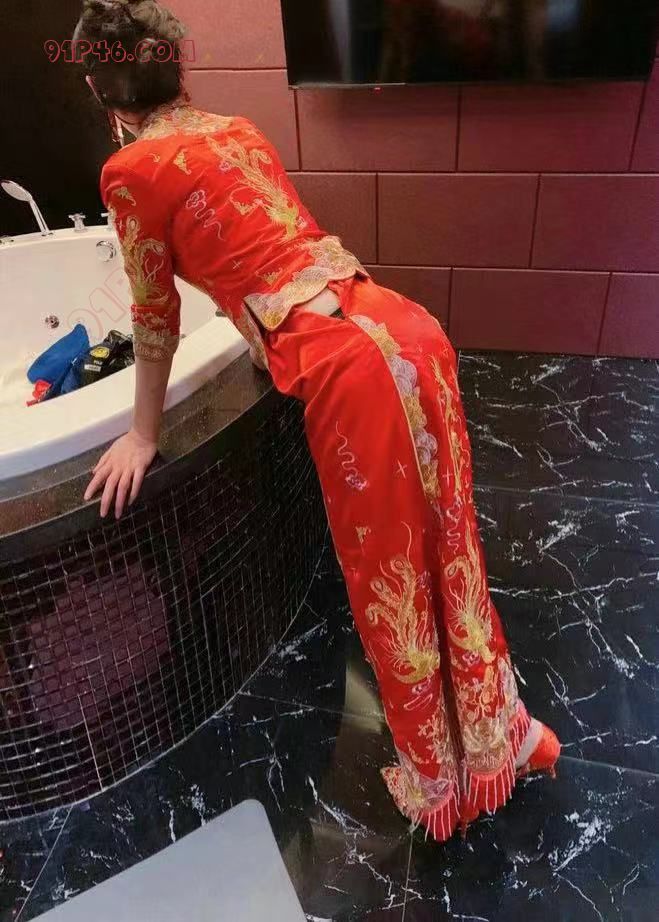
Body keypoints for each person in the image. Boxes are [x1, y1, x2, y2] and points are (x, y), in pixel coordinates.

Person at [77, 0, 559, 842]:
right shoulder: (237, 130)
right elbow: (272, 253)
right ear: (178, 67)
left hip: (350, 372)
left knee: (389, 578)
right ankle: (500, 738)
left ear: (97, 89)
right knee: (450, 547)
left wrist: (145, 435)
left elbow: (154, 319)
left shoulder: (130, 171)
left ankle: (441, 780)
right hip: (406, 330)